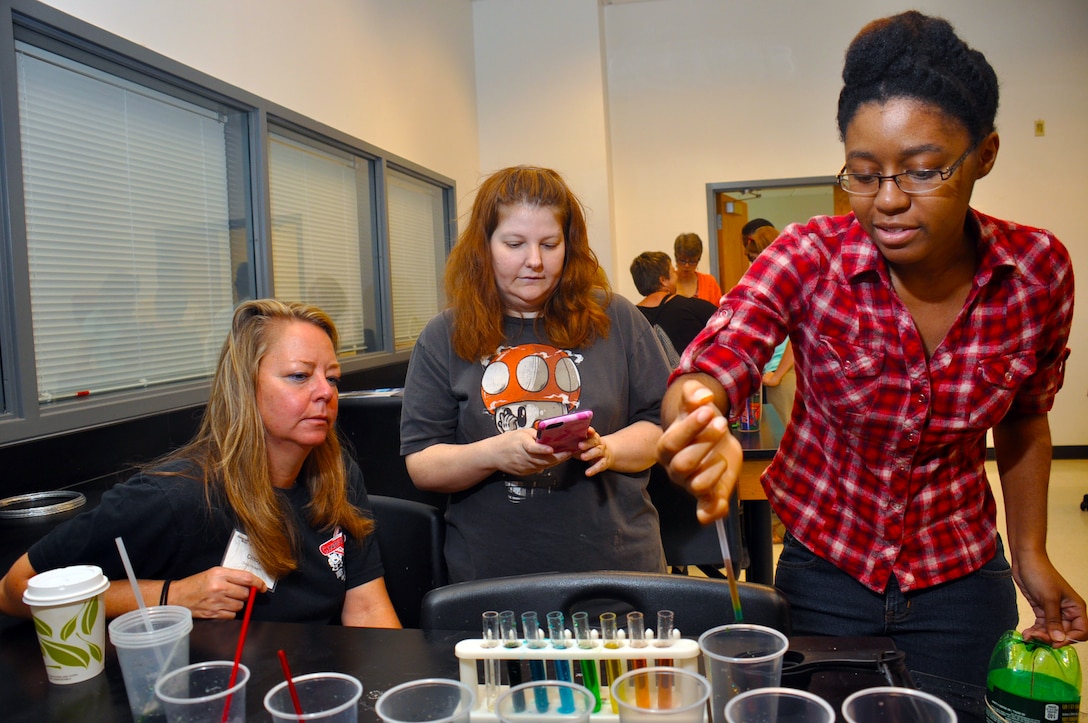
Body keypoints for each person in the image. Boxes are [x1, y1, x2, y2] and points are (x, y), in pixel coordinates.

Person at [656, 9, 1084, 705]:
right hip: (824, 572)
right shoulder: (809, 255)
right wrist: (699, 411)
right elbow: (718, 355)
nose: (887, 200)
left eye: (922, 171)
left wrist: (1031, 551)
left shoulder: (1036, 271)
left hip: (961, 580)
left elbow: (1027, 417)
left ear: (985, 154)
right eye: (862, 174)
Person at [0, 299, 401, 627]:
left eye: (332, 378)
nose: (324, 393)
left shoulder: (336, 475)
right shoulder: (177, 497)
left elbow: (366, 607)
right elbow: (16, 588)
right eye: (299, 376)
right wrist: (172, 596)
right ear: (246, 387)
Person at [400, 165, 670, 583]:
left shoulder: (616, 318)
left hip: (618, 569)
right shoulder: (443, 336)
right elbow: (423, 463)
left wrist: (608, 449)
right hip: (492, 578)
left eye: (550, 244)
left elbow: (660, 422)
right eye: (514, 243)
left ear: (570, 244)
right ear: (484, 246)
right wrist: (494, 453)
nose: (535, 262)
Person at [742, 224, 797, 427]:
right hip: (766, 376)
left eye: (757, 258)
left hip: (783, 376)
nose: (754, 264)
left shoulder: (788, 284)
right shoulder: (764, 284)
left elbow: (796, 337)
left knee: (786, 439)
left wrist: (778, 375)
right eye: (751, 259)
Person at [629, 251, 716, 361]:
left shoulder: (631, 319)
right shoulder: (694, 308)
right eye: (673, 271)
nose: (677, 274)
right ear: (663, 280)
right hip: (694, 377)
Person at [673, 232, 723, 304]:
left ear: (698, 259)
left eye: (692, 261)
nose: (687, 265)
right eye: (682, 260)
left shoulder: (710, 282)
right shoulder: (667, 282)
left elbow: (718, 312)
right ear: (676, 257)